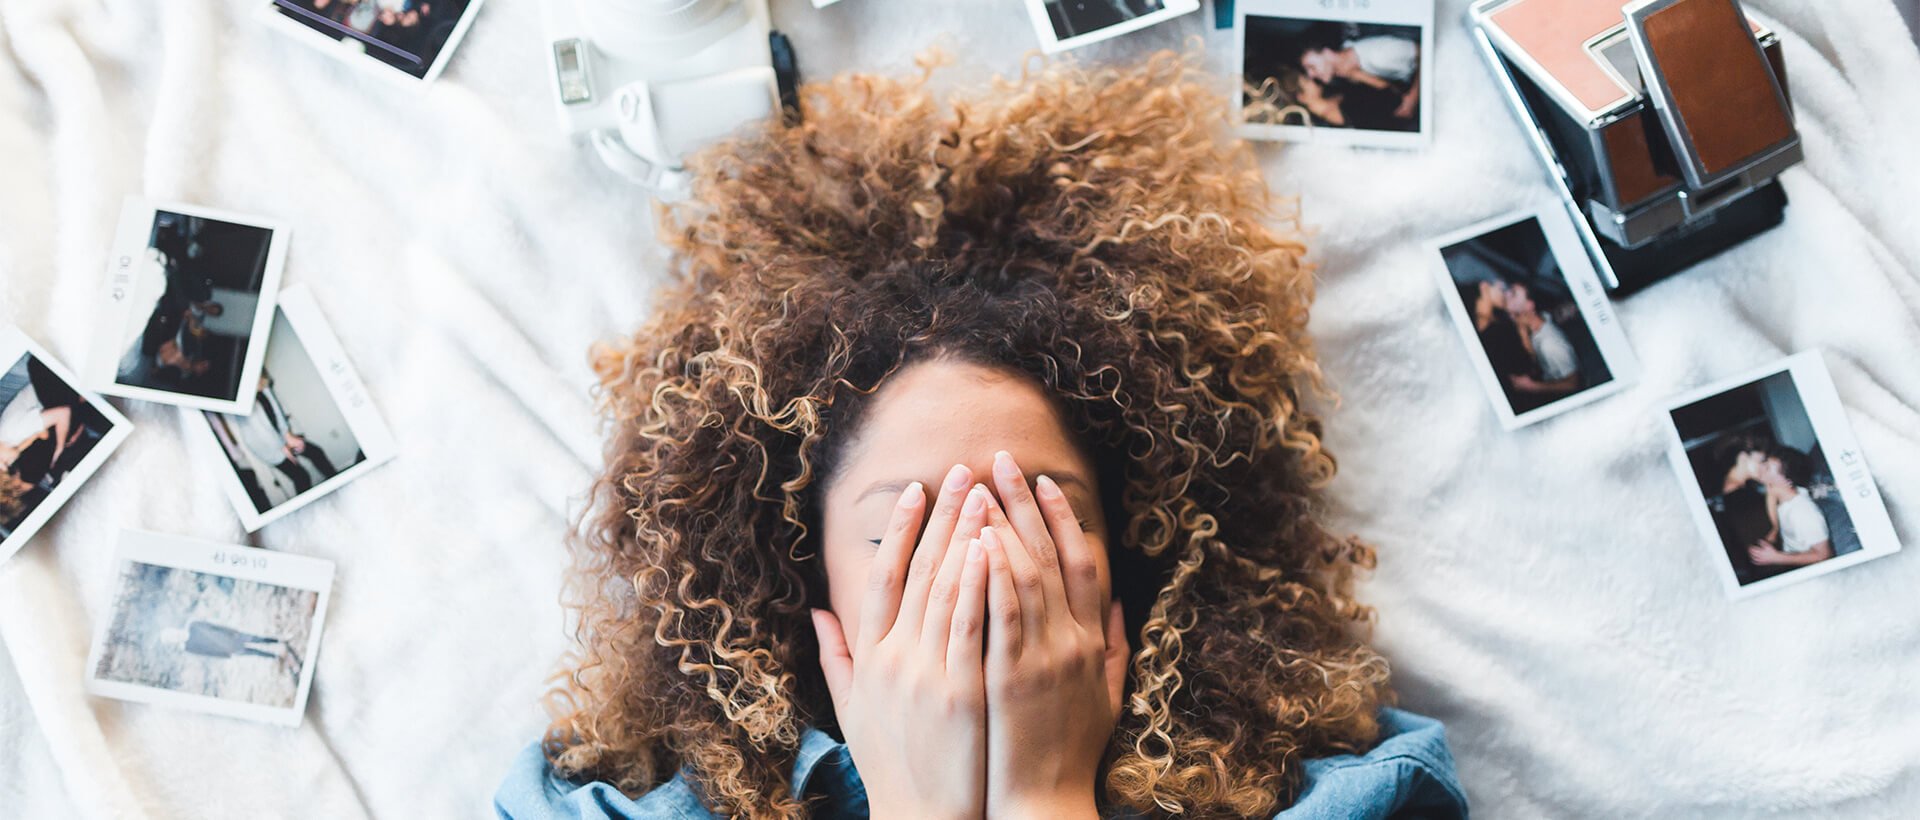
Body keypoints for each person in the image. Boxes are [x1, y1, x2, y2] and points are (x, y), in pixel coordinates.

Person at [495, 54, 1464, 819]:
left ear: (1127, 556)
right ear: (805, 576)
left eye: (1036, 511)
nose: (980, 563)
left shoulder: (1356, 795)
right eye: (901, 528)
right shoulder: (604, 805)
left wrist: (1043, 798)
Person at [236, 373, 338, 495]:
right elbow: (255, 438)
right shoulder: (245, 408)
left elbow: (277, 416)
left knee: (315, 452)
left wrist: (287, 435)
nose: (261, 379)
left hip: (281, 441)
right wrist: (281, 450)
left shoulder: (265, 390)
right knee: (301, 477)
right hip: (269, 451)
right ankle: (304, 509)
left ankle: (338, 483)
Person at [1296, 28, 1421, 122]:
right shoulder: (1344, 68)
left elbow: (1424, 51)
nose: (1311, 75)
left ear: (1328, 53)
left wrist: (1413, 97)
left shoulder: (1379, 55)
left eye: (1311, 67)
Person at [1746, 446, 1833, 568]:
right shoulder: (1780, 490)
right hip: (1786, 551)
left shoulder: (1803, 512)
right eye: (1765, 463)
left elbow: (1824, 555)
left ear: (1787, 481)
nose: (1761, 468)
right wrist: (1775, 530)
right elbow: (1770, 493)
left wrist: (1776, 557)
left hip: (1801, 565)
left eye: (1768, 468)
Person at [159, 621, 289, 660]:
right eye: (172, 639)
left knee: (257, 639)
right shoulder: (188, 647)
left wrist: (232, 630)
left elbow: (215, 626)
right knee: (255, 652)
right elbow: (207, 653)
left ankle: (280, 640)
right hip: (229, 649)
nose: (175, 637)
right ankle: (277, 656)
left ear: (174, 629)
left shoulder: (193, 625)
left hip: (232, 637)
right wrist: (226, 655)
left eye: (173, 634)